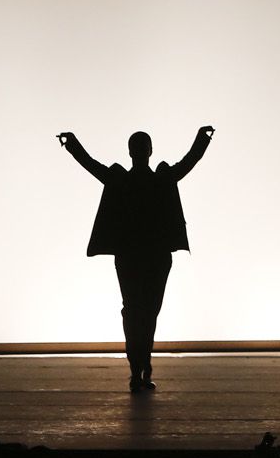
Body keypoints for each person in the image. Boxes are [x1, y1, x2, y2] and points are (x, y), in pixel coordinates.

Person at [59, 125, 213, 392]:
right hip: (154, 257)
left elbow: (91, 166)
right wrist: (202, 139)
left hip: (131, 257)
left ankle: (138, 368)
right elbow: (189, 162)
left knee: (135, 311)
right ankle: (142, 366)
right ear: (149, 152)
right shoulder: (161, 178)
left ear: (131, 152)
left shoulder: (122, 179)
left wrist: (72, 145)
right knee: (147, 312)